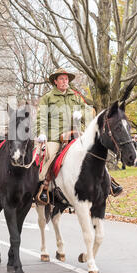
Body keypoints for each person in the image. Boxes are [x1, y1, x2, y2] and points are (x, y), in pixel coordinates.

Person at [35, 68, 93, 203]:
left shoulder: (76, 96)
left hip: (75, 134)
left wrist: (82, 114)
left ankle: (106, 182)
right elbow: (41, 117)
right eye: (61, 79)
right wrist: (41, 133)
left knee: (93, 152)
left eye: (66, 79)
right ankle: (42, 187)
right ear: (55, 81)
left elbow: (88, 113)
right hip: (55, 137)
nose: (64, 81)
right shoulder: (47, 98)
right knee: (48, 157)